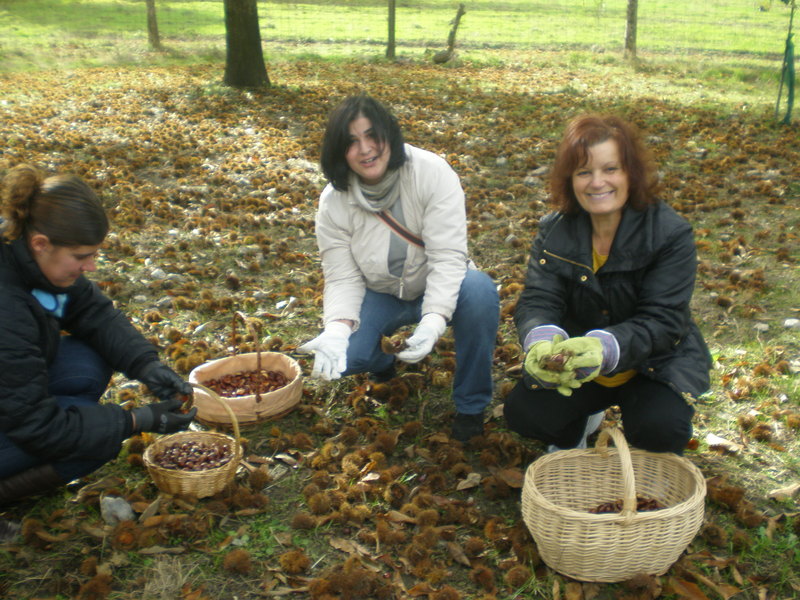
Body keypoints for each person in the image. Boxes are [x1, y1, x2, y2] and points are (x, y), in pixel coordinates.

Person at [503, 115, 711, 454]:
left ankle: (645, 449)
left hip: (654, 364)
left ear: (631, 173)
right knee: (525, 415)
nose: (597, 182)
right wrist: (540, 340)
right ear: (570, 180)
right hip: (578, 367)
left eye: (610, 169)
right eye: (584, 172)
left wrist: (605, 348)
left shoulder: (670, 234)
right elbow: (539, 298)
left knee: (662, 427)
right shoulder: (554, 230)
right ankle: (575, 431)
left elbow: (664, 320)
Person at [299, 94, 499, 442]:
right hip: (380, 291)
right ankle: (382, 363)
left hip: (438, 282)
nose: (365, 149)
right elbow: (342, 276)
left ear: (389, 134)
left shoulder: (431, 173)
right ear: (338, 152)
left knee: (480, 292)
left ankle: (470, 405)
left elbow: (448, 257)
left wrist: (435, 320)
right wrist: (336, 329)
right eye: (351, 142)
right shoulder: (334, 202)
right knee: (350, 356)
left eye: (372, 135)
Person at [0, 164, 196, 506]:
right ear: (40, 243)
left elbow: (92, 311)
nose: (90, 267)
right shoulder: (7, 309)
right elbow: (39, 428)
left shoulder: (27, 255)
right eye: (81, 257)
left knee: (88, 359)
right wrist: (136, 420)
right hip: (20, 406)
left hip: (12, 387)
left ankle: (66, 417)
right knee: (97, 441)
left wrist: (146, 365)